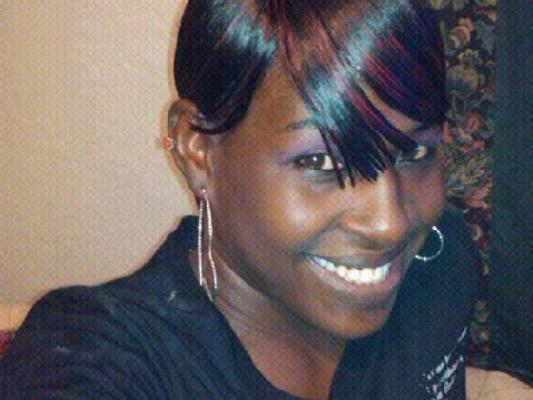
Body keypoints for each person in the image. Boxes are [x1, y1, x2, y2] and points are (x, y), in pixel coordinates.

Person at [0, 0, 483, 398]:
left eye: (414, 152)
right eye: (321, 162)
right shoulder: (101, 351)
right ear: (198, 150)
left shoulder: (442, 267)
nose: (390, 224)